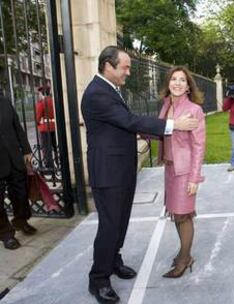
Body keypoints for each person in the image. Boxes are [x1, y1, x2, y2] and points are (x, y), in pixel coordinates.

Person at [81, 46, 199, 304]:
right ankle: (98, 280)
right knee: (110, 226)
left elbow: (125, 125)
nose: (128, 72)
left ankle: (114, 261)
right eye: (125, 67)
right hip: (108, 173)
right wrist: (173, 125)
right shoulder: (97, 93)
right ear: (108, 66)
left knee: (120, 222)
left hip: (121, 170)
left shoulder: (111, 90)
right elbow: (129, 121)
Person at [157, 66, 206, 278]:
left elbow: (199, 145)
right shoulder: (166, 104)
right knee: (177, 215)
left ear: (188, 86)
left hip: (185, 171)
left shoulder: (194, 110)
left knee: (184, 216)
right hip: (170, 168)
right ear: (168, 83)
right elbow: (161, 131)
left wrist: (195, 177)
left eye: (182, 80)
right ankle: (183, 253)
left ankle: (185, 258)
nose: (177, 83)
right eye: (173, 79)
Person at [0, 94, 37, 250]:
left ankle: (21, 221)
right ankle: (6, 234)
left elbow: (17, 126)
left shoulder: (4, 101)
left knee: (21, 193)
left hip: (14, 157)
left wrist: (26, 149)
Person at [35, 85, 58, 171]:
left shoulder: (41, 103)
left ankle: (49, 167)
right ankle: (59, 163)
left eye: (39, 93)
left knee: (46, 148)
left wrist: (38, 123)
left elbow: (37, 117)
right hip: (54, 126)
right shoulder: (53, 101)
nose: (39, 95)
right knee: (56, 147)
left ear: (42, 93)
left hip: (45, 128)